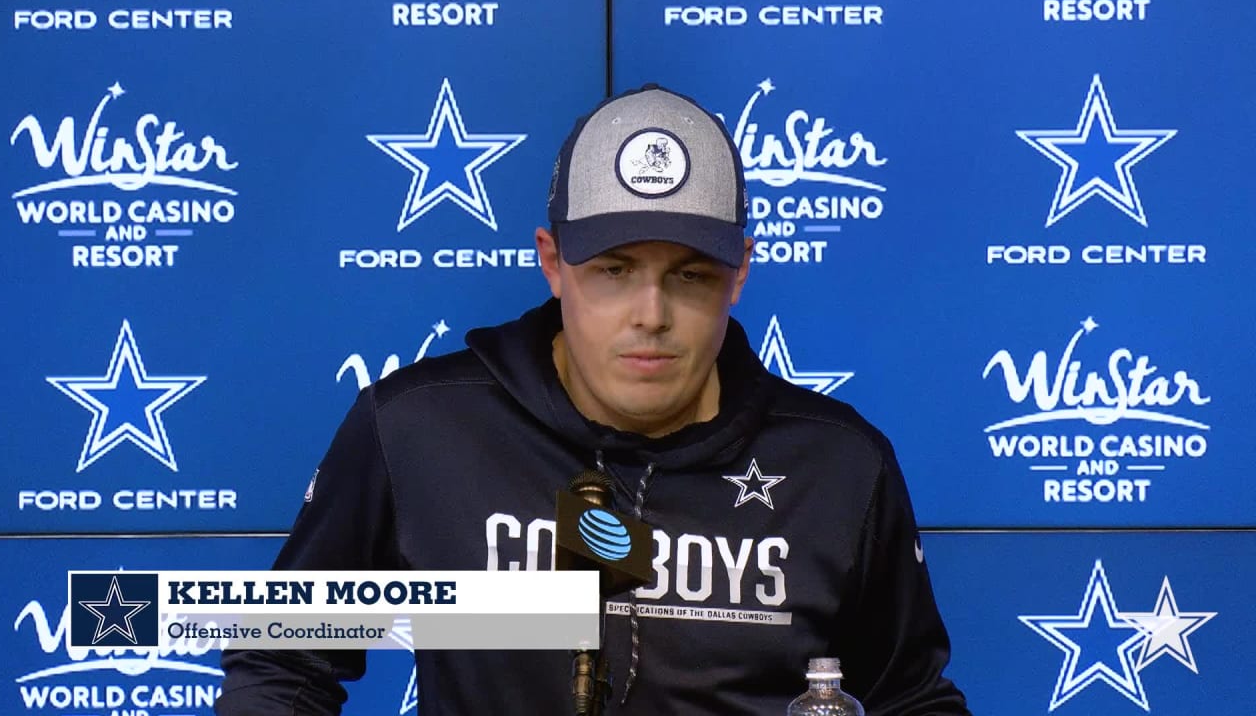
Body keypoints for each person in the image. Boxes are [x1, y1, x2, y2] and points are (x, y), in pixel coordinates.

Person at [216, 84, 971, 716]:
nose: (651, 313)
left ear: (740, 273)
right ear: (553, 263)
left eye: (691, 275)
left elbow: (913, 698)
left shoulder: (838, 465)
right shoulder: (417, 428)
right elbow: (284, 661)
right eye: (613, 270)